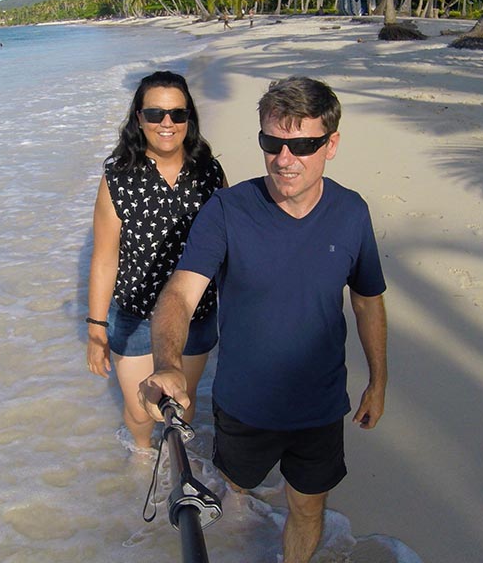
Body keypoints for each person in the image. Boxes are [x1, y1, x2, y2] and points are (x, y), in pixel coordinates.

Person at [140, 76, 388, 563]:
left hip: (319, 409)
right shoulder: (227, 211)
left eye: (302, 144)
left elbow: (367, 301)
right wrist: (168, 363)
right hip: (244, 407)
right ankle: (245, 501)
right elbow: (179, 296)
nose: (284, 158)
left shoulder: (352, 213)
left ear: (331, 144)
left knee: (308, 509)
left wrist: (378, 382)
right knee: (235, 486)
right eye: (271, 142)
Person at [86, 70, 226, 451]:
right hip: (134, 313)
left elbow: (227, 249)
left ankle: (177, 454)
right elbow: (104, 258)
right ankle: (143, 454)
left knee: (183, 399)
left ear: (188, 118)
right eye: (155, 114)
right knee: (140, 408)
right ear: (139, 119)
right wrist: (96, 328)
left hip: (194, 314)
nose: (167, 123)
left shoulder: (209, 173)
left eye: (177, 114)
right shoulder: (118, 177)